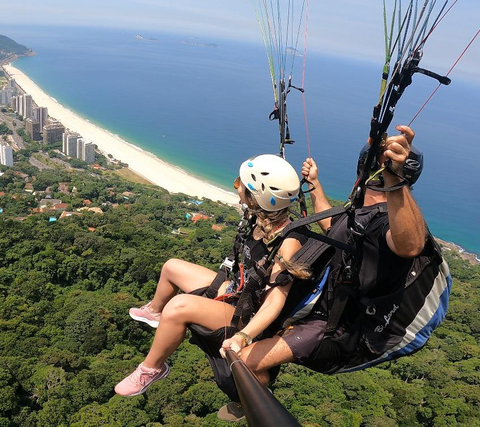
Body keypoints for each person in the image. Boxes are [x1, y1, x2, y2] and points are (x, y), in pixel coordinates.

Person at [221, 125, 429, 387]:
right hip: (321, 307)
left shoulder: (387, 222)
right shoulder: (361, 211)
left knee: (242, 361)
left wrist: (394, 183)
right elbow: (332, 225)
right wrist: (315, 185)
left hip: (337, 329)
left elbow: (410, 246)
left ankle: (255, 403)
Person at [114, 154, 310, 399]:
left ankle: (151, 368)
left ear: (256, 198)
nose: (236, 186)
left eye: (240, 185)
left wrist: (244, 335)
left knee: (177, 307)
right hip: (239, 290)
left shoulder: (288, 241)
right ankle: (154, 312)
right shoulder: (259, 219)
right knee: (172, 267)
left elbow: (275, 300)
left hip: (249, 315)